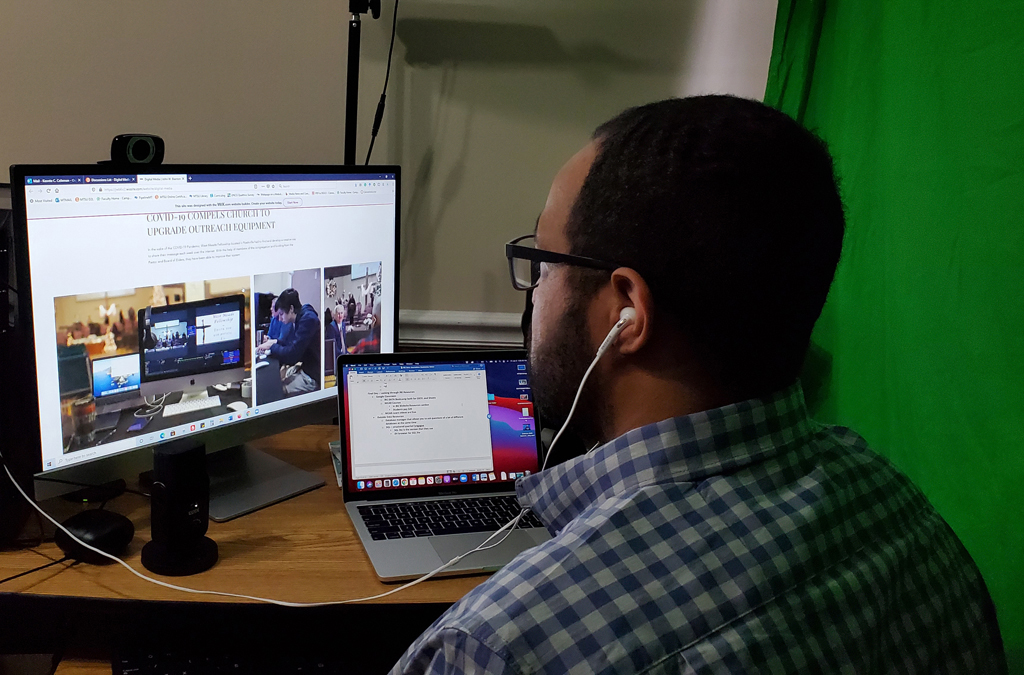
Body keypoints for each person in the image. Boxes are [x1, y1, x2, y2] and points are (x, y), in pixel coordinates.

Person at [392, 96, 1006, 674]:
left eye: (546, 264)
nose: (535, 291)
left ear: (625, 311)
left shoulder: (497, 648)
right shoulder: (909, 517)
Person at [256, 288, 321, 396]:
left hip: (312, 375)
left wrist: (272, 347)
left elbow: (292, 355)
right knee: (279, 380)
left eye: (281, 314)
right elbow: (292, 344)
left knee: (278, 390)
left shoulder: (308, 320)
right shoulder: (301, 317)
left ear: (291, 309)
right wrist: (274, 342)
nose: (280, 319)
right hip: (306, 367)